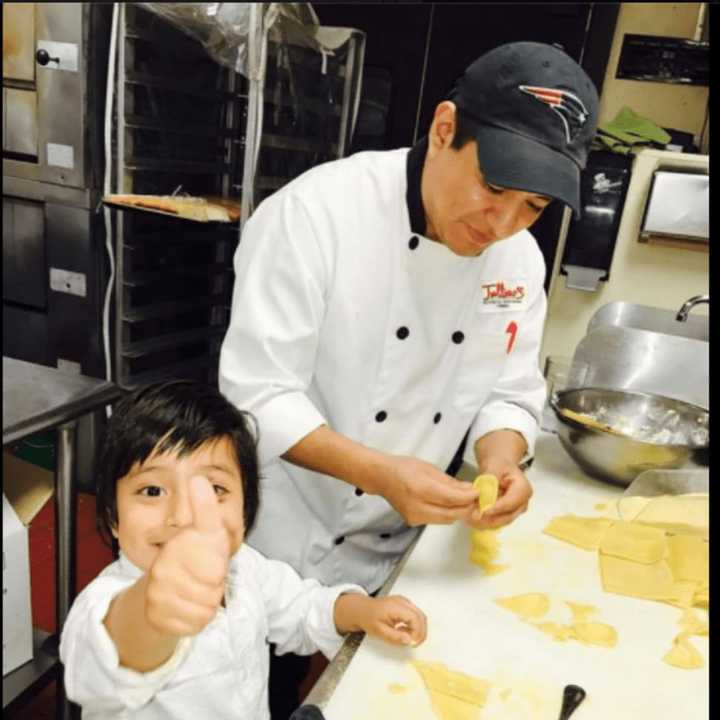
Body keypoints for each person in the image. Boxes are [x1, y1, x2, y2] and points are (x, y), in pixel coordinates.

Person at [218, 41, 599, 714]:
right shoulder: (317, 216)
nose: (504, 225)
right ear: (444, 128)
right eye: (495, 188)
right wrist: (388, 471)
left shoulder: (515, 260)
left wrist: (502, 460)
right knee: (255, 692)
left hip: (400, 543)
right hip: (282, 532)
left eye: (534, 207)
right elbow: (256, 396)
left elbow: (509, 392)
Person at [59, 381, 427, 719]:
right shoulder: (103, 605)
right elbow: (106, 665)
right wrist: (152, 611)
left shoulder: (244, 567)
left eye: (214, 489)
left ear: (245, 510)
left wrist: (360, 610)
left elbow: (298, 607)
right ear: (112, 516)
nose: (184, 515)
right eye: (153, 491)